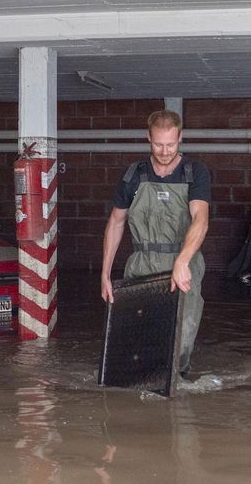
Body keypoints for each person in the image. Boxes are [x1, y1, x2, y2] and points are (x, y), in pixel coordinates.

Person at [100, 109, 210, 377]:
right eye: (158, 144)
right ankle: (140, 396)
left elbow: (201, 220)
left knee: (180, 340)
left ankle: (177, 383)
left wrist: (182, 261)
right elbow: (116, 222)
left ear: (180, 138)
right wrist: (105, 274)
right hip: (142, 262)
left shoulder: (194, 172)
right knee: (138, 339)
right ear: (148, 138)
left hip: (182, 262)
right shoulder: (133, 175)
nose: (164, 151)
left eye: (170, 144)